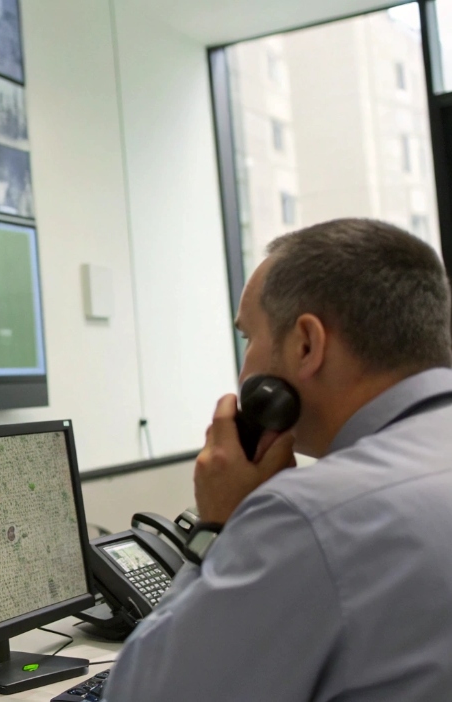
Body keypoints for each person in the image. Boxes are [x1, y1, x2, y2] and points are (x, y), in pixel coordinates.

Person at [103, 219, 452, 701]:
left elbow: (141, 695)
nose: (244, 368)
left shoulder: (310, 515)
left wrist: (220, 529)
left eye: (248, 337)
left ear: (306, 344)